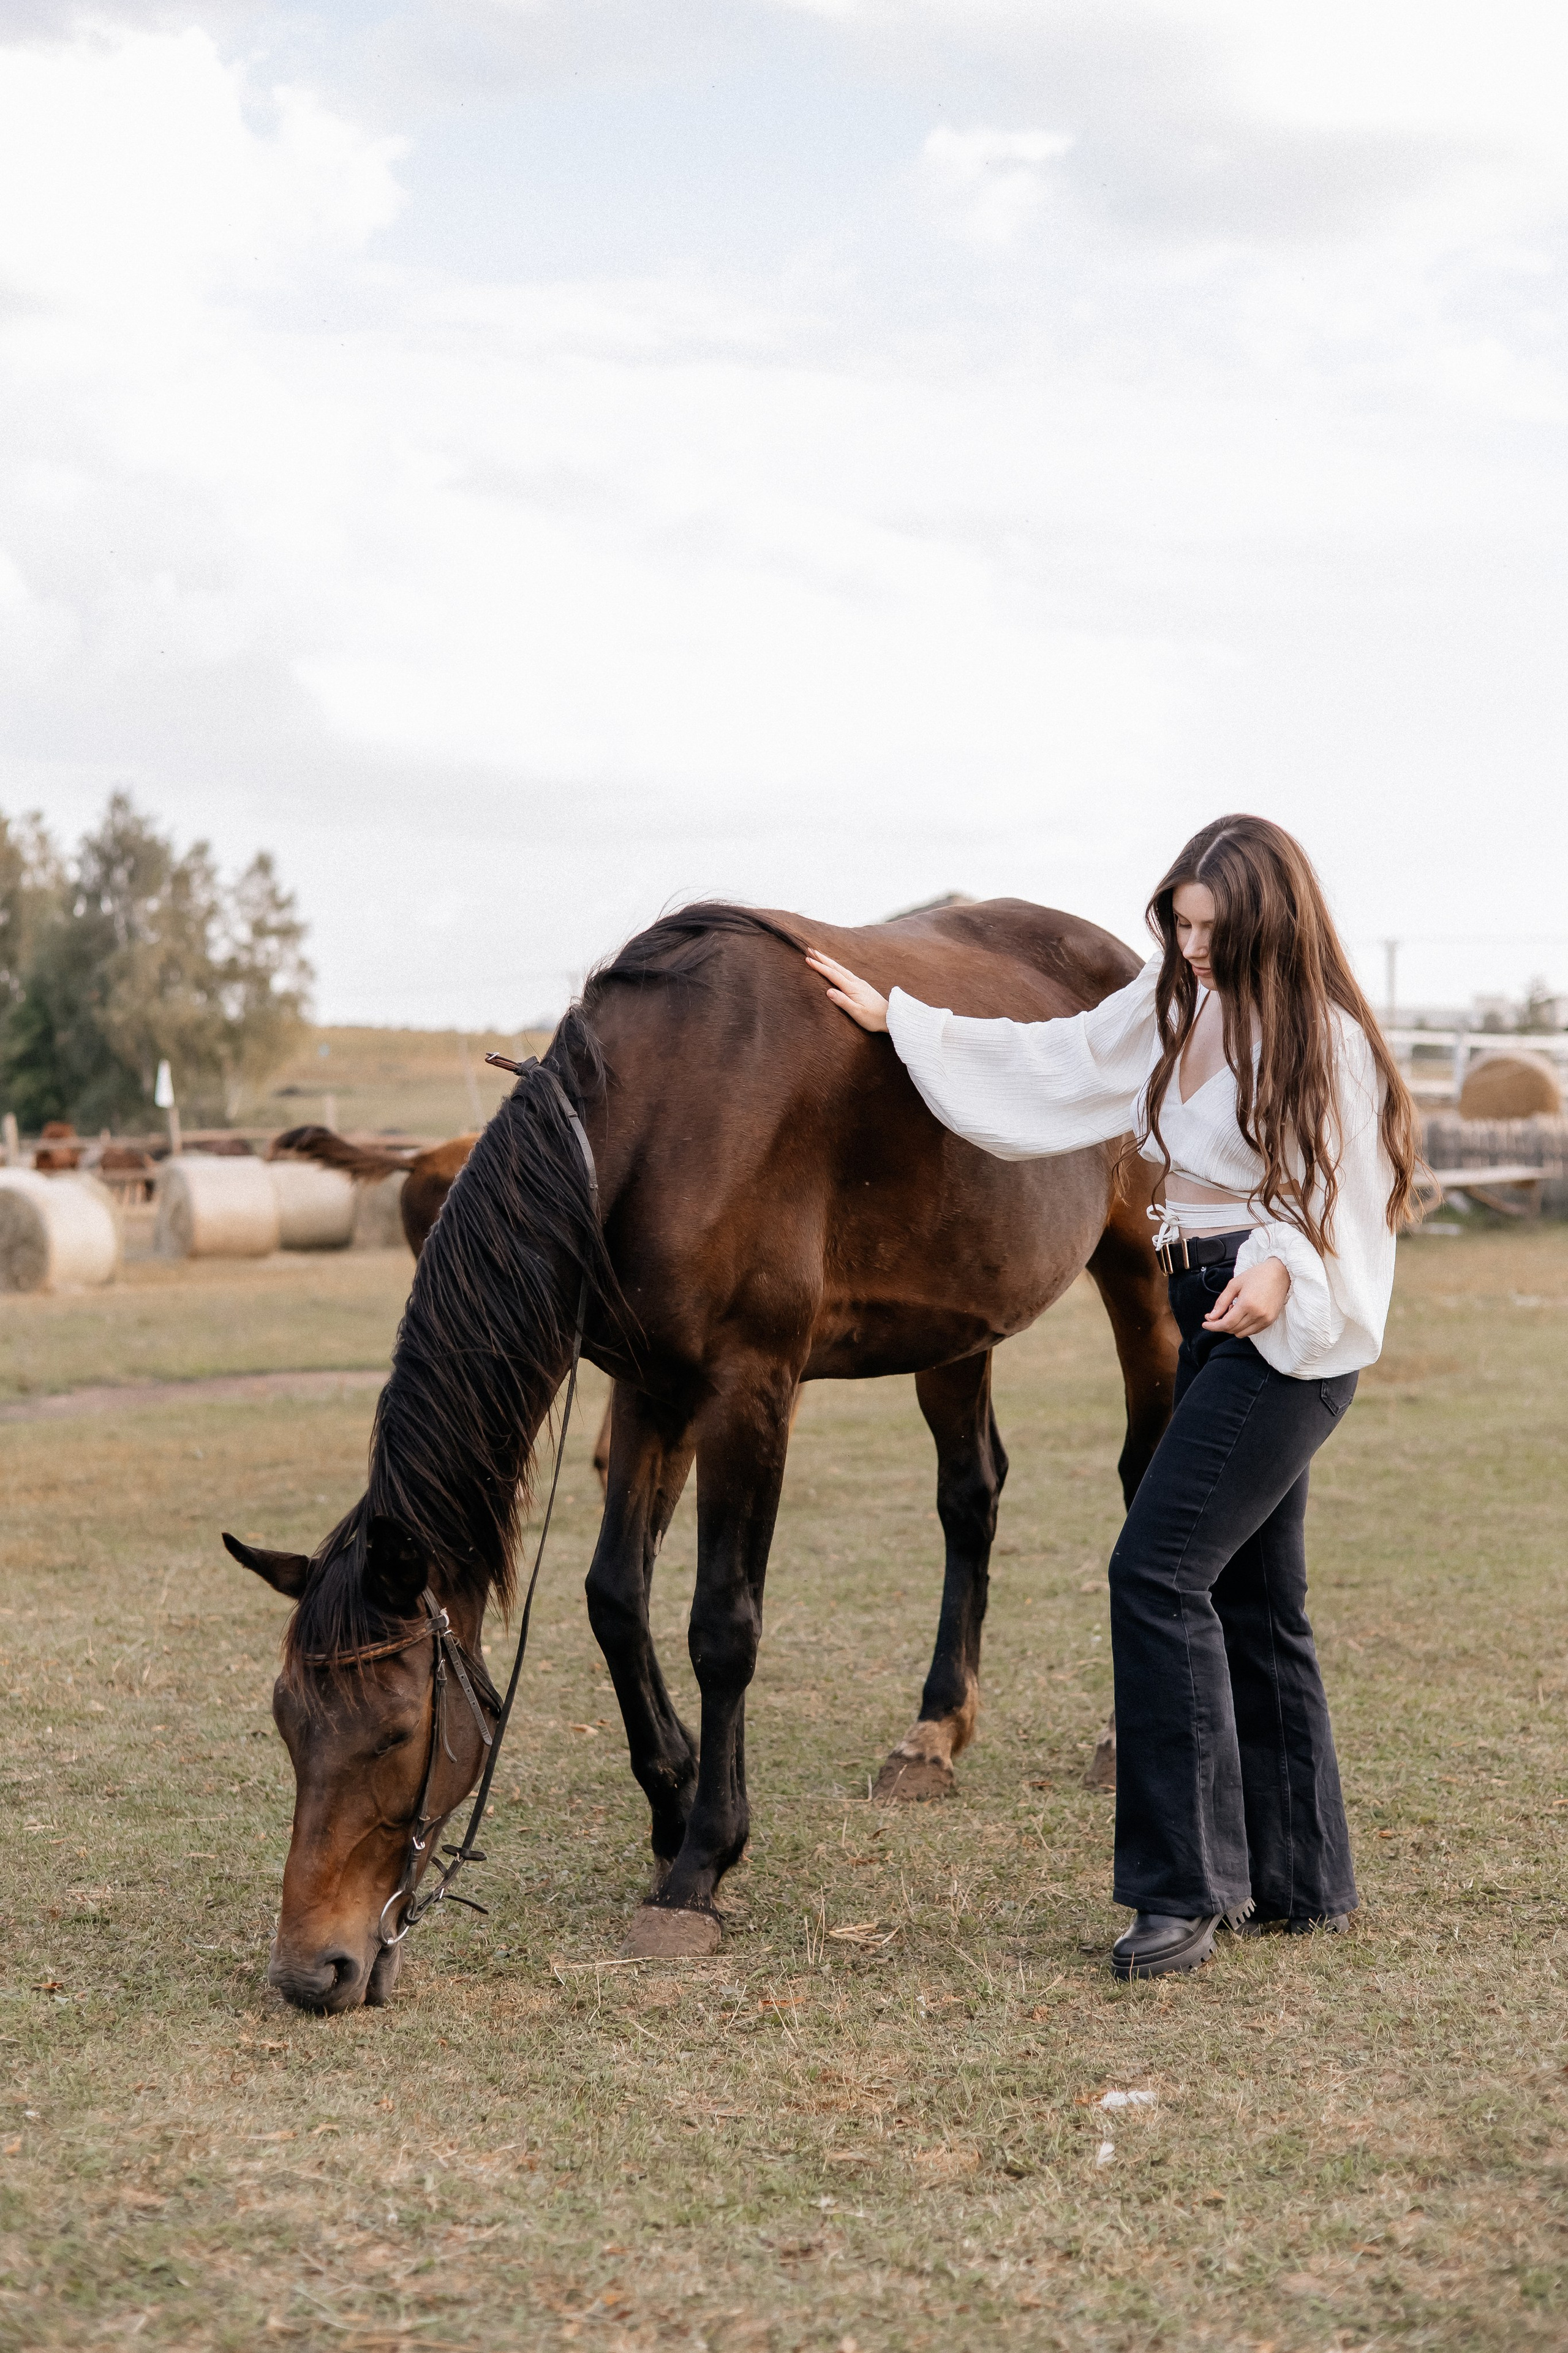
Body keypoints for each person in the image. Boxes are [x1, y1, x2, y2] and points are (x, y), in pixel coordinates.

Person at [805, 815, 1420, 1980]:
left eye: (1213, 929)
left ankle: (1184, 1891)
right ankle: (1305, 1881)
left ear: (1270, 922)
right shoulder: (1174, 1006)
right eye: (1179, 923)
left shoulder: (1321, 1037)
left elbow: (1345, 1179)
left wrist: (1284, 1259)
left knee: (1155, 1570)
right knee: (1256, 1595)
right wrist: (908, 1024)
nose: (1191, 947)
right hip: (1203, 1297)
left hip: (1281, 1317)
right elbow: (1064, 1059)